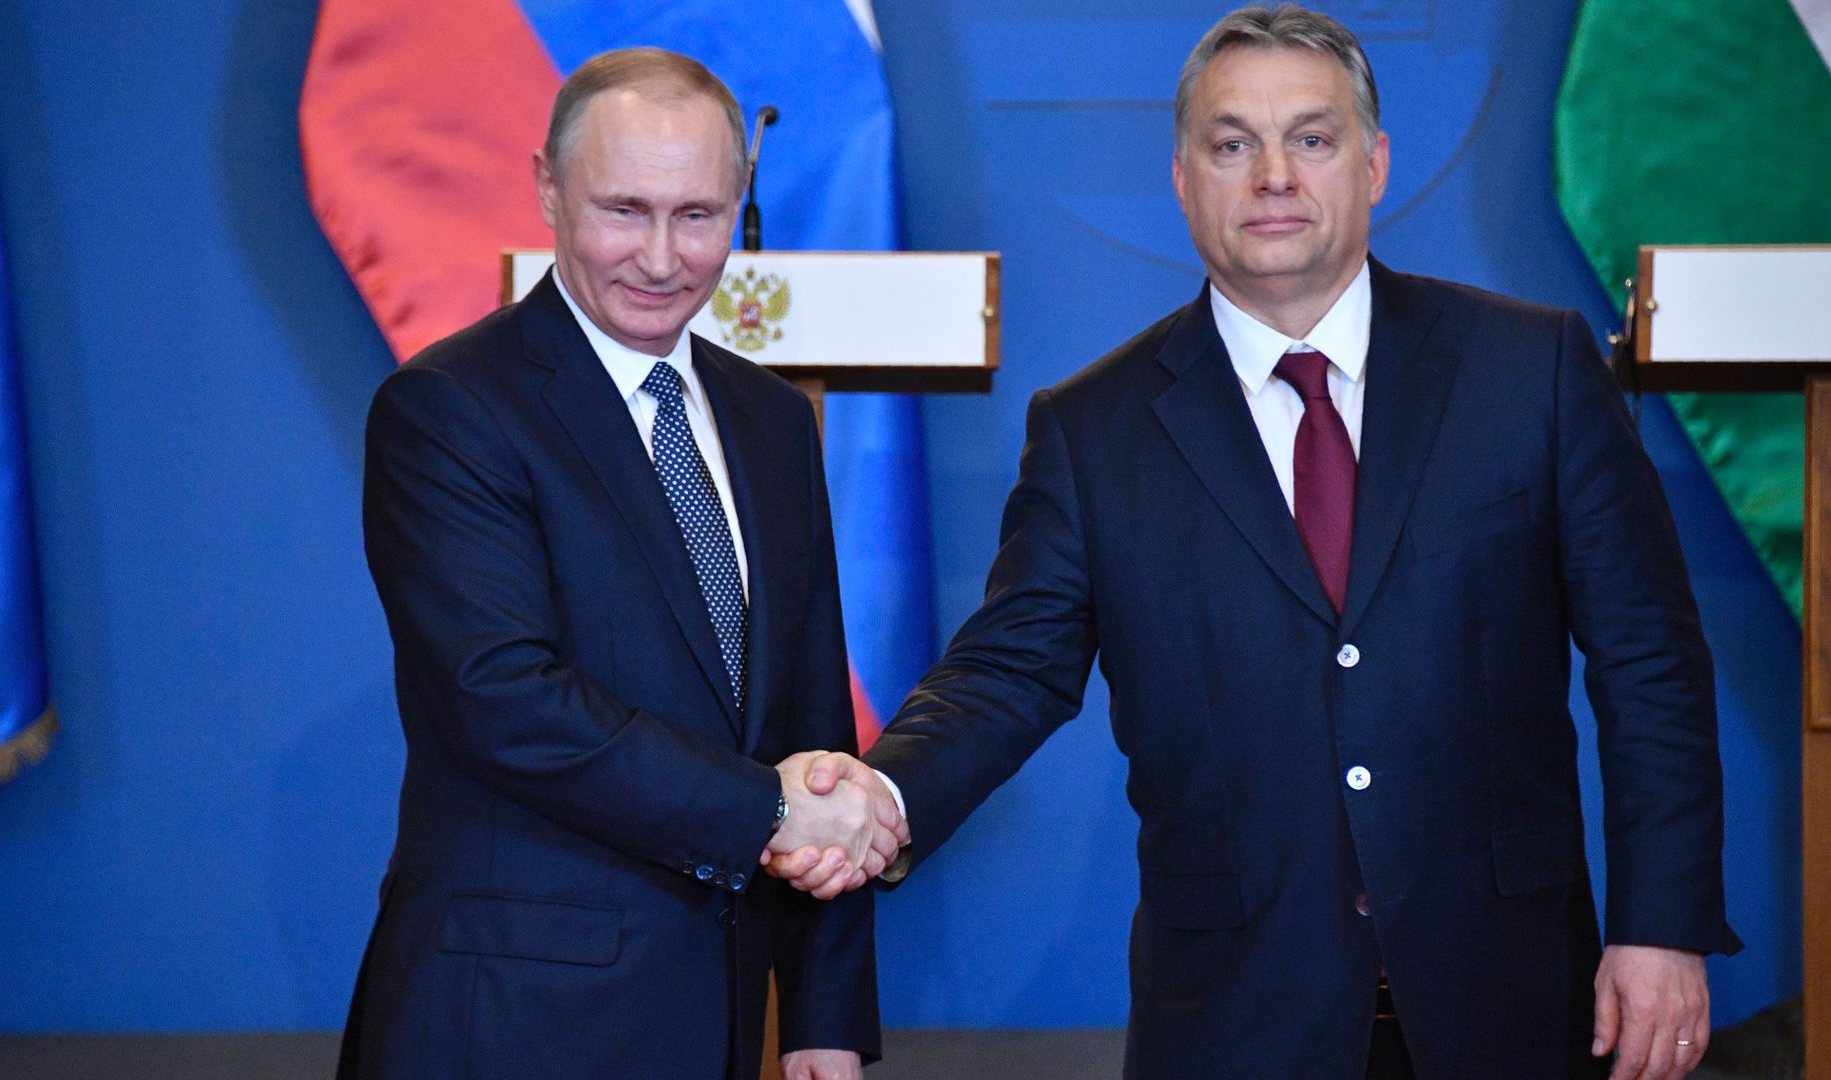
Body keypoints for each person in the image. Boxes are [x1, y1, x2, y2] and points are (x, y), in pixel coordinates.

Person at [771, 5, 1739, 1079]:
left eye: (1311, 139)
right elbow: (1010, 671)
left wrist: (1663, 923)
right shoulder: (1094, 429)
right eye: (1232, 143)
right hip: (1236, 1018)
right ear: (1185, 179)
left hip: (1510, 997)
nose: (1273, 174)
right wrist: (884, 794)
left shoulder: (1535, 371)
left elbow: (1650, 664)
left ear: (1373, 166)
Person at [337, 47, 902, 1080]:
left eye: (697, 215)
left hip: (722, 1026)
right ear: (548, 188)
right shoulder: (451, 410)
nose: (659, 255)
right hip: (509, 1023)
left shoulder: (772, 422)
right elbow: (501, 698)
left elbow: (813, 720)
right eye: (623, 209)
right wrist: (773, 812)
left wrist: (825, 1010)